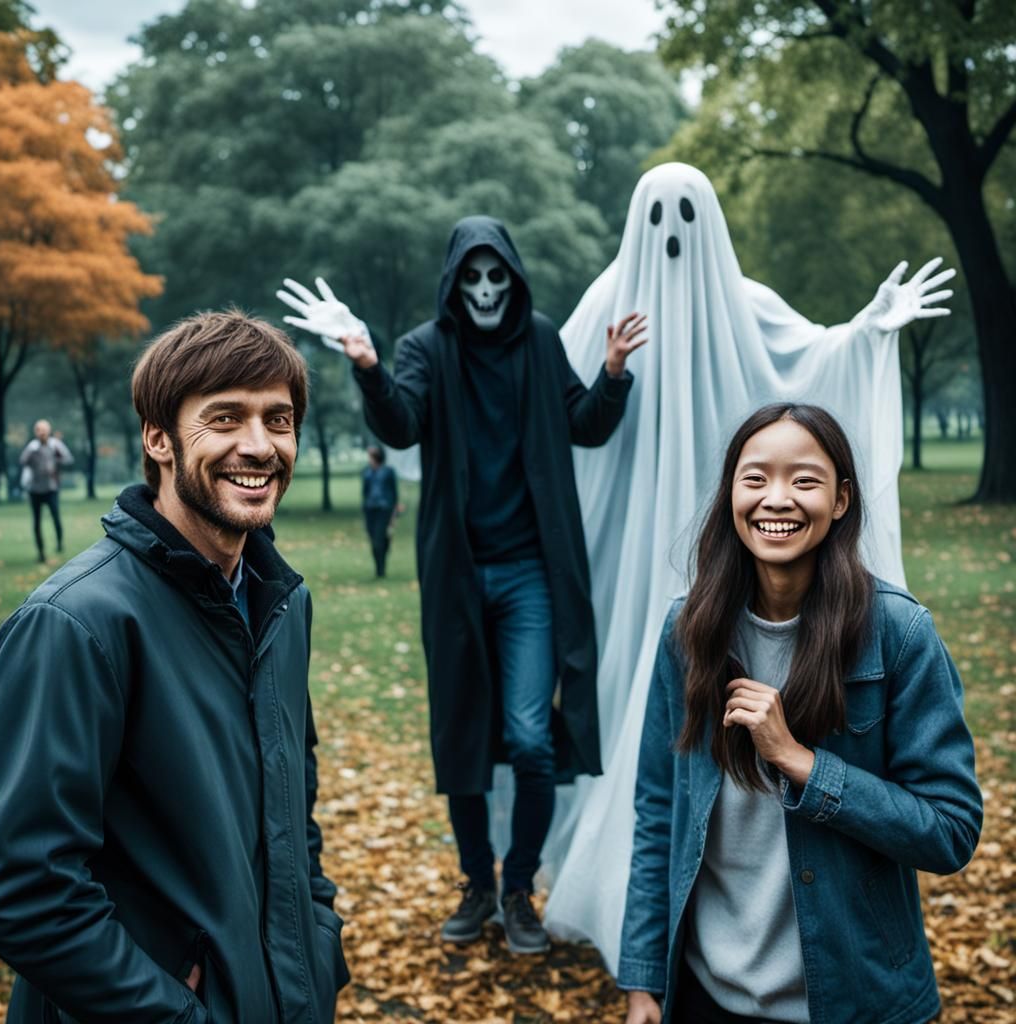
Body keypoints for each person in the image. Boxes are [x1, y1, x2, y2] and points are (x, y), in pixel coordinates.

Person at [541, 162, 957, 968]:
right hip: (637, 545)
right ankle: (657, 928)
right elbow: (551, 401)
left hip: (739, 532)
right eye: (656, 215)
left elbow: (813, 360)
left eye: (688, 215)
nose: (671, 237)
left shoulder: (749, 303)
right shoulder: (605, 303)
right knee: (659, 734)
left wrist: (871, 329)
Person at [277, 215, 646, 954]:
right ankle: (477, 882)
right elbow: (404, 424)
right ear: (454, 282)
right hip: (457, 578)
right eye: (472, 278)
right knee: (463, 738)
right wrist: (367, 365)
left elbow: (585, 424)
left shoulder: (540, 340)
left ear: (513, 279)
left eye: (496, 277)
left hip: (530, 576)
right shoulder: (426, 348)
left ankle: (520, 889)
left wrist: (610, 375)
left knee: (532, 738)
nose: (484, 290)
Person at [0, 311, 349, 1022]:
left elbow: (291, 812)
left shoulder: (283, 605)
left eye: (278, 421)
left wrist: (318, 945)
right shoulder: (74, 624)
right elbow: (22, 886)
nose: (259, 445)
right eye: (225, 418)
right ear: (158, 439)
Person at [618, 403, 982, 1024]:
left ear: (840, 500)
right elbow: (660, 811)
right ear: (730, 492)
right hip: (708, 995)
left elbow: (950, 831)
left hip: (855, 1000)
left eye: (804, 481)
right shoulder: (689, 632)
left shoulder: (897, 634)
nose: (776, 499)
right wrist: (644, 978)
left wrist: (804, 765)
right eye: (754, 478)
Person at [19, 418, 73, 561]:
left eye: (44, 429)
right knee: (37, 521)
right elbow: (22, 461)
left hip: (51, 488)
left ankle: (59, 542)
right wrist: (31, 455)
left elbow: (68, 459)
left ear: (48, 431)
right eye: (39, 430)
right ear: (35, 432)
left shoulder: (55, 445)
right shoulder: (32, 447)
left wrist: (56, 460)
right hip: (35, 489)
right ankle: (41, 553)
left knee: (56, 517)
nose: (41, 432)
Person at [362, 444, 399, 578]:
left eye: (371, 455)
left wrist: (394, 513)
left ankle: (381, 570)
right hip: (370, 510)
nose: (369, 458)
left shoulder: (388, 472)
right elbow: (365, 493)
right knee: (374, 540)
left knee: (379, 540)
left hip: (384, 510)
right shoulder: (366, 472)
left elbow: (394, 494)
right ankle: (379, 567)